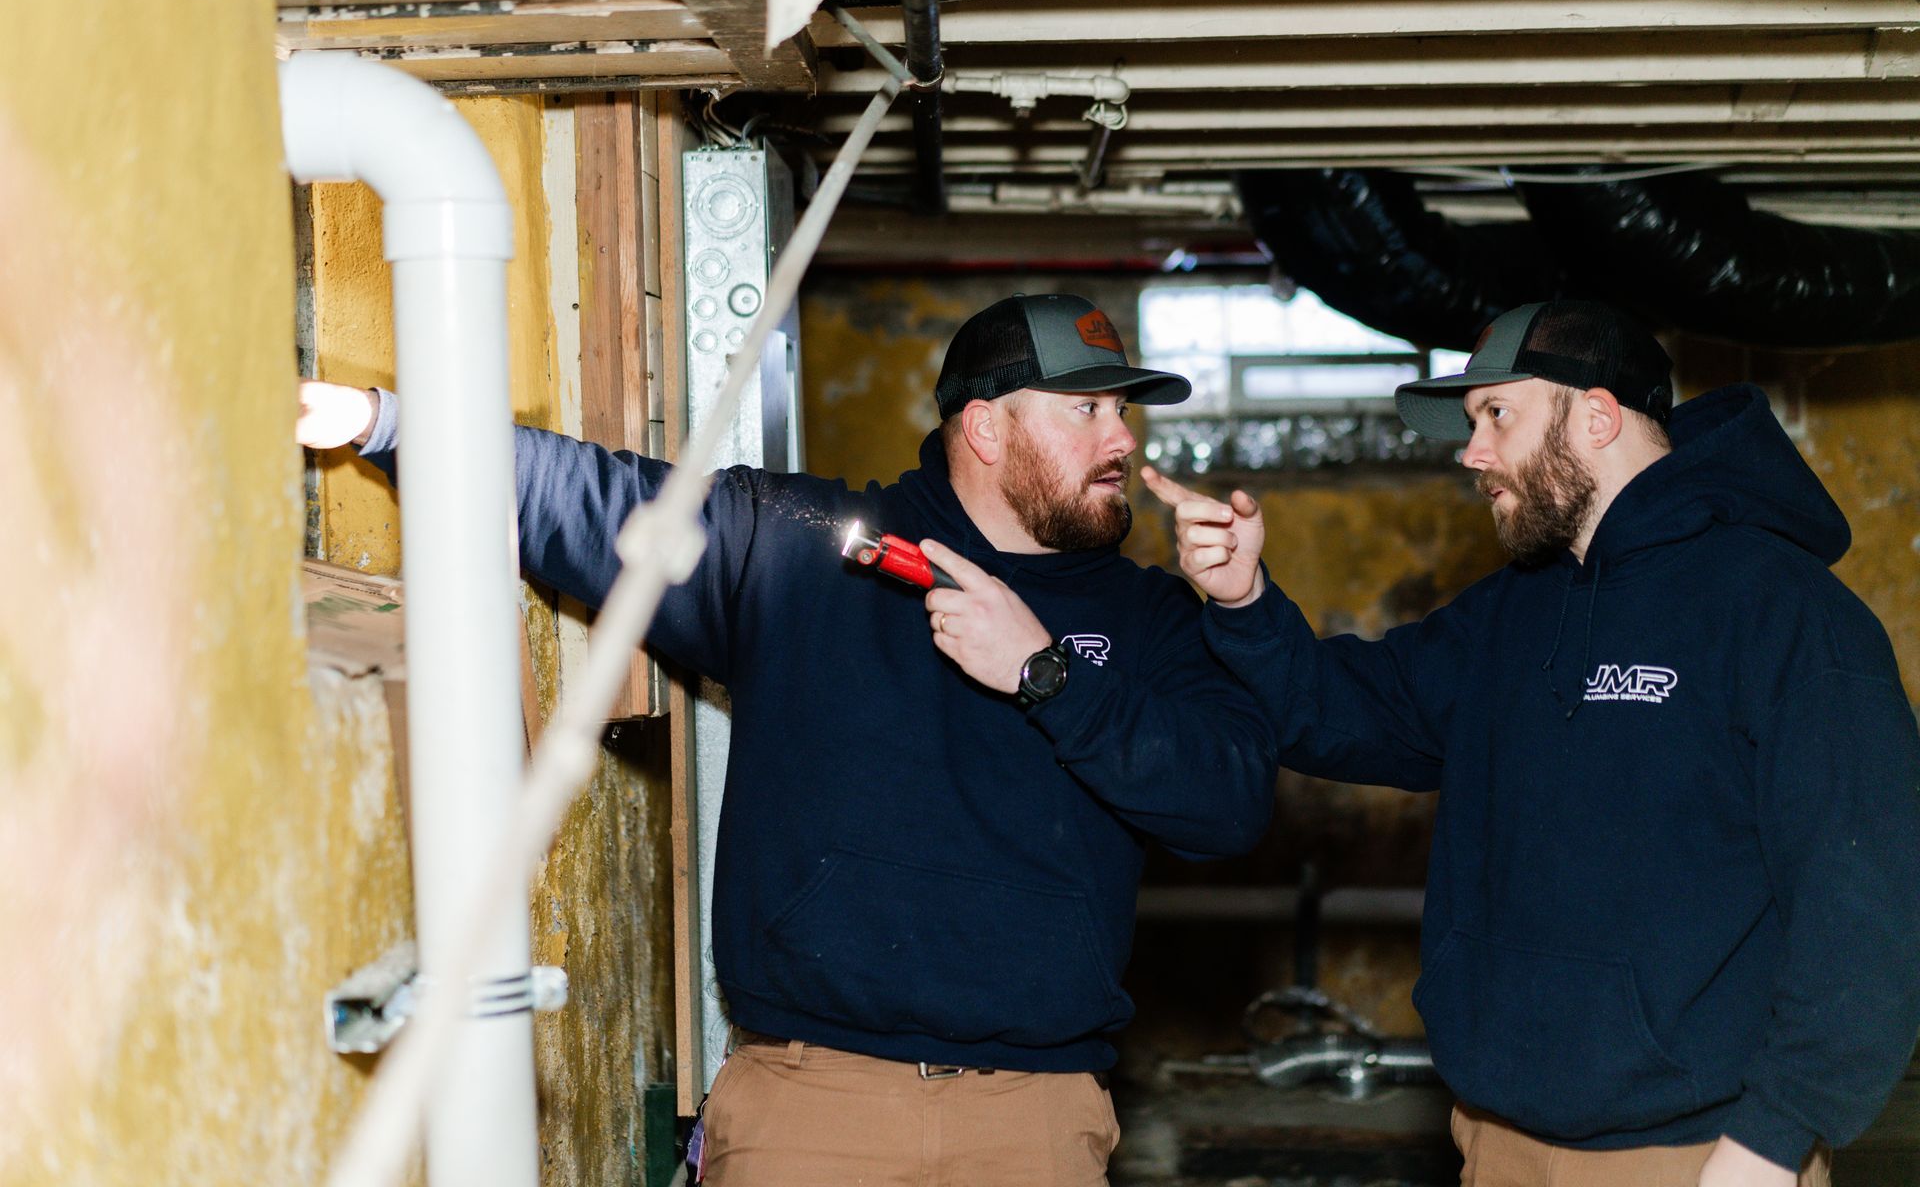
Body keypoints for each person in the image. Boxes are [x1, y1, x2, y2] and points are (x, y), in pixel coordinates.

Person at [300, 293, 1278, 1186]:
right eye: (1086, 408)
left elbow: (1229, 802)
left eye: (1123, 409)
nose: (1122, 437)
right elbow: (592, 500)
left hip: (1033, 1117)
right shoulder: (808, 548)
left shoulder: (1154, 619)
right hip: (812, 1106)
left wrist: (1045, 674)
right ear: (986, 426)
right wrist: (381, 424)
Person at [1142, 300, 1920, 1187]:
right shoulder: (1509, 614)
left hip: (1696, 1156)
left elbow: (1868, 901)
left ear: (1595, 416)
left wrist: (1779, 1137)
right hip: (1496, 1142)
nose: (1472, 453)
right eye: (1473, 424)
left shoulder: (1784, 614)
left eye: (1496, 416)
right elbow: (1341, 709)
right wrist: (1244, 603)